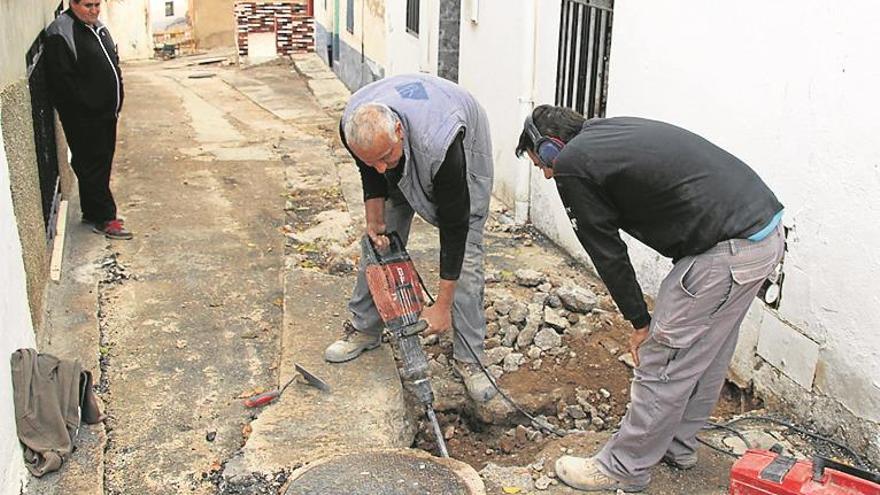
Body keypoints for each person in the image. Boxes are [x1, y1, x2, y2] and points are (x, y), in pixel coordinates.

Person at [516, 106, 785, 492]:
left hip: (726, 251)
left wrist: (641, 322)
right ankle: (678, 446)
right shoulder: (606, 134)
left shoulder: (573, 162)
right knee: (709, 349)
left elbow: (606, 251)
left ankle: (624, 467)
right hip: (762, 235)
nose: (545, 172)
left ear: (554, 148)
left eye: (541, 161)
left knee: (664, 357)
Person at [324, 74, 497, 402]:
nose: (379, 168)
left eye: (386, 157)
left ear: (399, 131)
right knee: (378, 241)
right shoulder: (355, 127)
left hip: (461, 149)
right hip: (403, 140)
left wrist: (441, 306)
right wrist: (374, 211)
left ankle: (471, 360)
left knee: (468, 256)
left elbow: (455, 224)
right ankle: (364, 328)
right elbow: (371, 168)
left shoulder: (442, 142)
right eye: (370, 160)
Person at [45, 0, 131, 240]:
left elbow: (113, 64)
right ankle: (106, 217)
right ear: (72, 3)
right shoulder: (61, 32)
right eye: (87, 5)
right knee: (92, 165)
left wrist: (117, 97)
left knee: (101, 164)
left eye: (96, 5)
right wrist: (87, 109)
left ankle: (92, 211)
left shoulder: (98, 27)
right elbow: (62, 83)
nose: (93, 10)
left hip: (106, 114)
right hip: (85, 118)